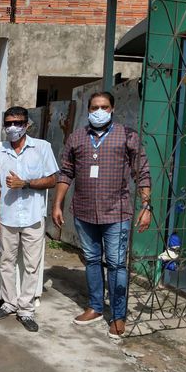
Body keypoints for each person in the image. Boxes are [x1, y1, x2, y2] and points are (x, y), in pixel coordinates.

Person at [52, 91, 151, 338]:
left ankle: (118, 316)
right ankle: (96, 307)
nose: (99, 111)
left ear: (112, 109)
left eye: (104, 107)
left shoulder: (127, 136)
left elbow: (142, 172)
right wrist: (57, 204)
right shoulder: (77, 137)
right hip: (84, 212)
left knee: (116, 264)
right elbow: (66, 172)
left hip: (117, 212)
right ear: (88, 110)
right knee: (92, 260)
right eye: (94, 107)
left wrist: (146, 206)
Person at [0, 107, 58, 332]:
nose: (13, 127)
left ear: (27, 124)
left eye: (18, 123)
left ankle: (26, 309)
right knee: (6, 262)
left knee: (32, 265)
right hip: (7, 216)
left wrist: (26, 183)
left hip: (33, 216)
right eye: (9, 123)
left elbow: (52, 180)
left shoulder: (42, 147)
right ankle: (9, 303)